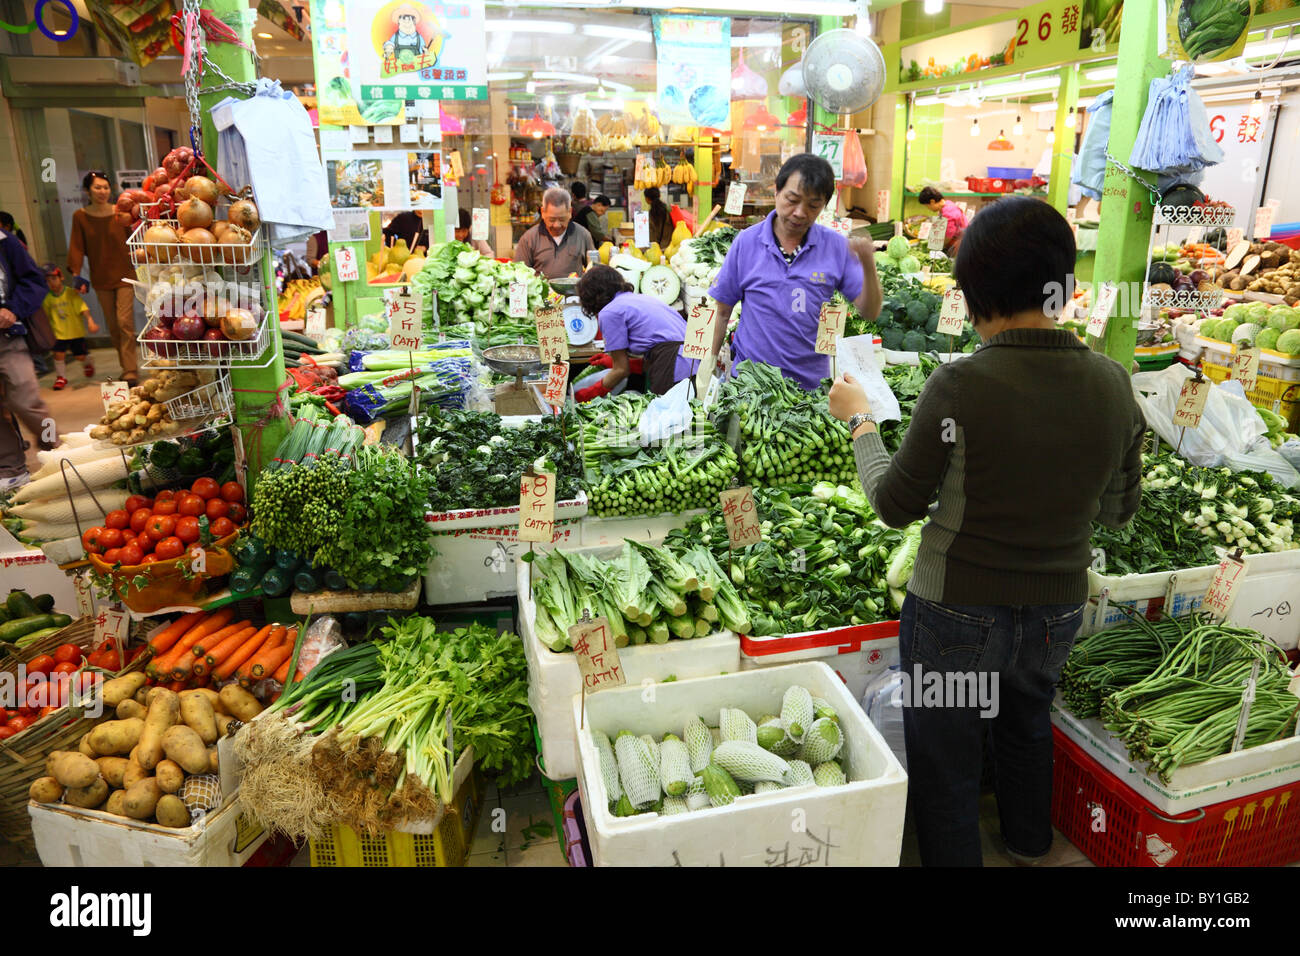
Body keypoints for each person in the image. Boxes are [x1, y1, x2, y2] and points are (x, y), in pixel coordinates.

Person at [825, 195, 1145, 867]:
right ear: (1062, 283)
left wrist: (860, 423)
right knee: (1027, 726)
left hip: (955, 615)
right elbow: (1118, 514)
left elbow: (892, 504)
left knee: (948, 756)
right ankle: (1030, 846)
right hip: (1056, 611)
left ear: (975, 294)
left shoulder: (960, 383)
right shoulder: (1115, 384)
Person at [708, 153, 882, 391]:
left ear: (823, 205)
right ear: (776, 192)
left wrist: (868, 264)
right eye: (792, 200)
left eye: (813, 205)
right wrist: (706, 367)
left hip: (808, 388)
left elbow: (870, 312)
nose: (800, 212)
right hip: (750, 385)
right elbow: (722, 313)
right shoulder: (746, 242)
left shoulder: (835, 247)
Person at [573, 265, 689, 400]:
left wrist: (590, 393)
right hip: (688, 361)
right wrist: (615, 362)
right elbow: (659, 347)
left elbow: (621, 370)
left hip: (673, 364)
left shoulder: (610, 311)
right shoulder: (638, 299)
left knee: (667, 417)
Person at [0, 228, 57, 491]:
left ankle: (54, 444)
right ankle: (11, 468)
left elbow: (33, 280)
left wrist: (12, 309)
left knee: (27, 399)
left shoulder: (4, 240)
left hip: (7, 335)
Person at [68, 170, 137, 387]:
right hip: (101, 277)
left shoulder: (120, 212)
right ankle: (124, 364)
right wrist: (76, 274)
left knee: (125, 321)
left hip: (126, 274)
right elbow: (77, 247)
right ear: (87, 191)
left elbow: (134, 239)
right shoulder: (80, 216)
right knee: (114, 325)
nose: (102, 191)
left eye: (106, 187)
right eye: (97, 187)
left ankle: (130, 370)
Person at [513, 187, 594, 280]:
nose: (557, 225)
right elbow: (518, 275)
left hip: (573, 294)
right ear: (542, 212)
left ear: (570, 212)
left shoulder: (583, 235)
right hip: (542, 293)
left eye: (562, 219)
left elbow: (593, 271)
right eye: (551, 220)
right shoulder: (529, 238)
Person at [41, 264, 99, 390]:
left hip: (75, 332)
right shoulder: (47, 299)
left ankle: (87, 361)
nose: (51, 283)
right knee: (58, 354)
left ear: (61, 277)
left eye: (54, 279)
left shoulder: (71, 293)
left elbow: (83, 309)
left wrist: (90, 321)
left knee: (80, 356)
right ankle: (61, 377)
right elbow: (45, 316)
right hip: (58, 333)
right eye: (48, 280)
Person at [918, 186, 968, 253]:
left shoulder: (948, 213)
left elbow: (948, 236)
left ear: (932, 202)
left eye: (927, 206)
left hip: (961, 242)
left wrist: (937, 249)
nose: (928, 209)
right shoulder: (947, 203)